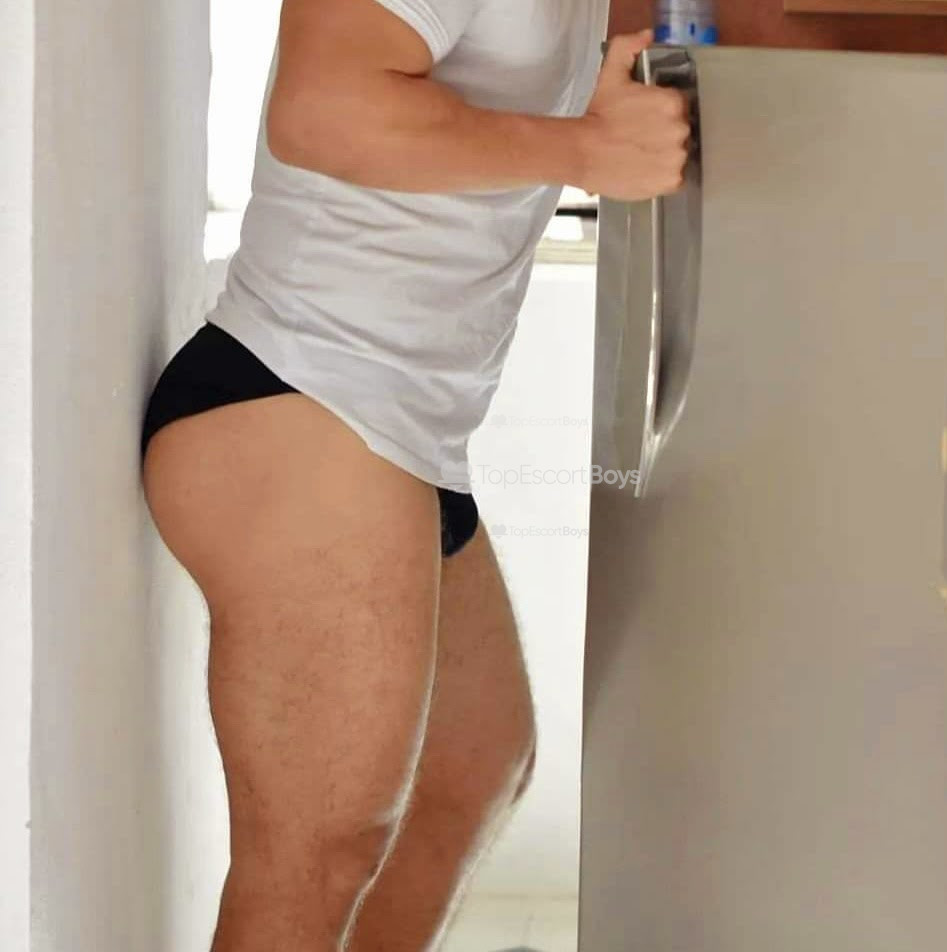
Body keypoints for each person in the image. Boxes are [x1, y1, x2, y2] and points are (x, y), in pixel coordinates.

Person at [140, 1, 689, 949]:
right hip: (303, 396)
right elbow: (321, 109)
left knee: (471, 769)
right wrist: (585, 151)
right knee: (315, 854)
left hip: (404, 429)